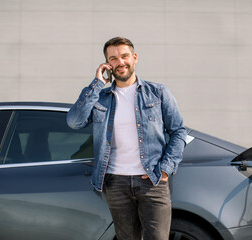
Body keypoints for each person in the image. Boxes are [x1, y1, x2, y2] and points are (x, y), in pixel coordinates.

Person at [67, 37, 186, 240]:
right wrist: (97, 83)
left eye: (124, 56)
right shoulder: (101, 97)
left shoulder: (157, 92)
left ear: (135, 57)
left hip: (153, 181)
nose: (120, 62)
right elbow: (74, 122)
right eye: (113, 58)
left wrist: (166, 168)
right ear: (107, 64)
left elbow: (178, 132)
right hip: (116, 183)